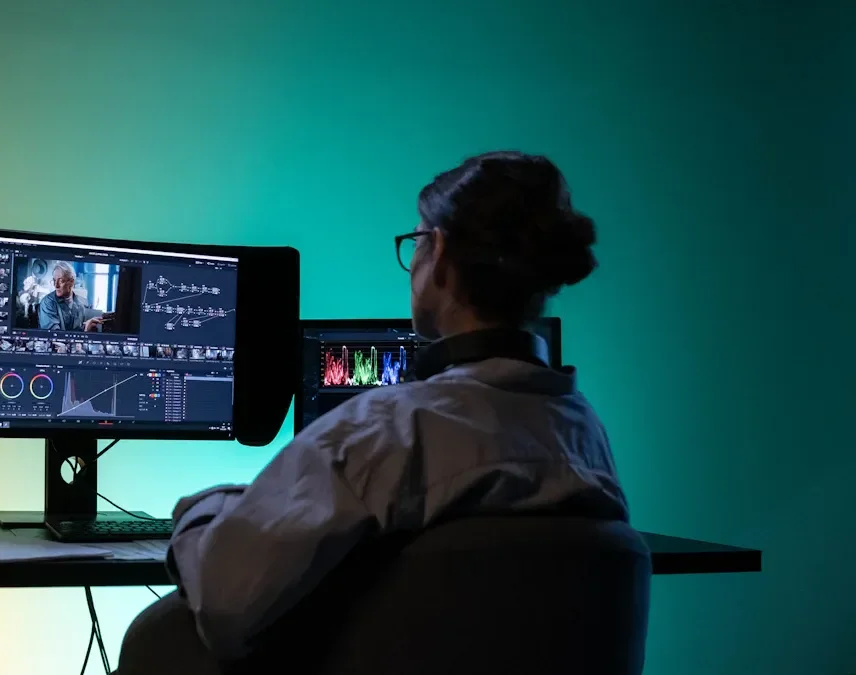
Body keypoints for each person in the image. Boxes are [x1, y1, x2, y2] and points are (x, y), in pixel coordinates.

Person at [122, 150, 629, 670]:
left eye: (416, 244)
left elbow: (227, 605)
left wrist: (203, 513)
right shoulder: (585, 436)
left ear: (440, 255)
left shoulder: (390, 429)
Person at [38, 261, 103, 332]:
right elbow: (54, 336)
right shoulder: (47, 303)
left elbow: (76, 331)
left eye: (61, 281)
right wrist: (85, 332)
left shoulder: (81, 303)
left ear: (72, 282)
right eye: (54, 280)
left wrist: (87, 326)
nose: (56, 286)